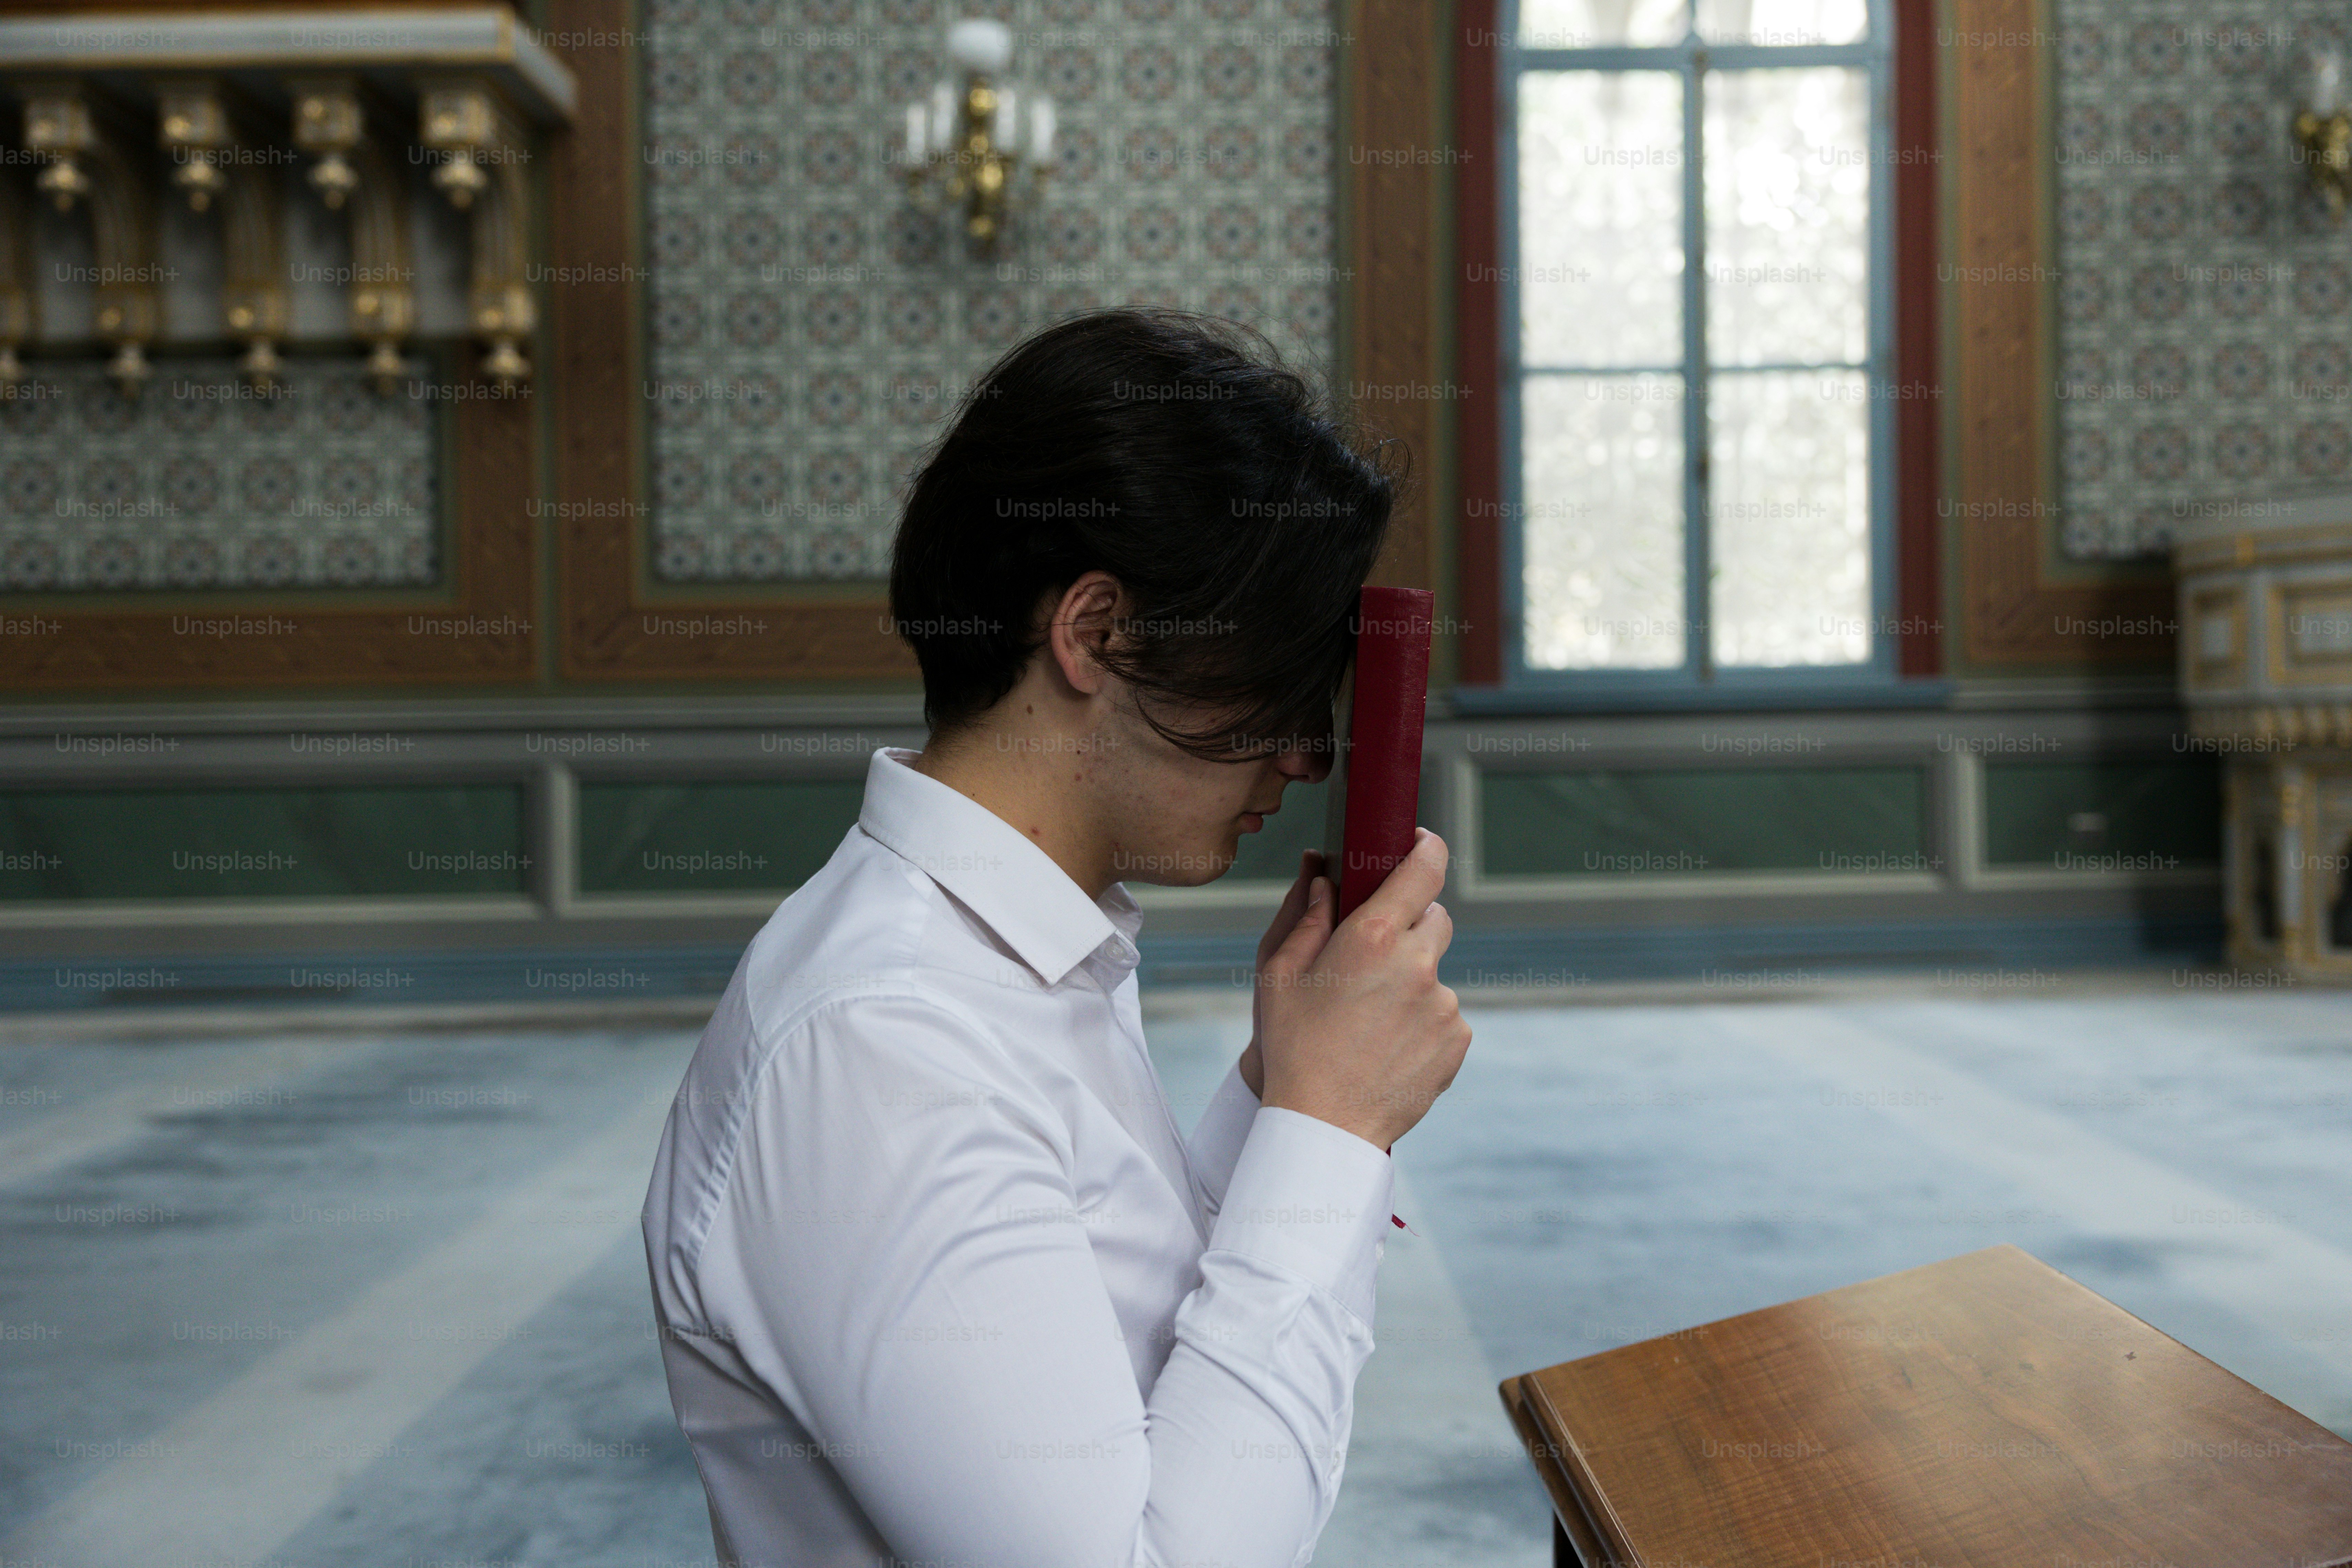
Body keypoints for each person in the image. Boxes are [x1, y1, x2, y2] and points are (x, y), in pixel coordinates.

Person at [641, 307, 1472, 1568]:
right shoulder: (882, 1049)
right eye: (1281, 687)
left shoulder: (1010, 950)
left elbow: (1118, 1325)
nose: (1307, 760)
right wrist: (1333, 1128)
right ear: (1095, 632)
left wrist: (1281, 1088)